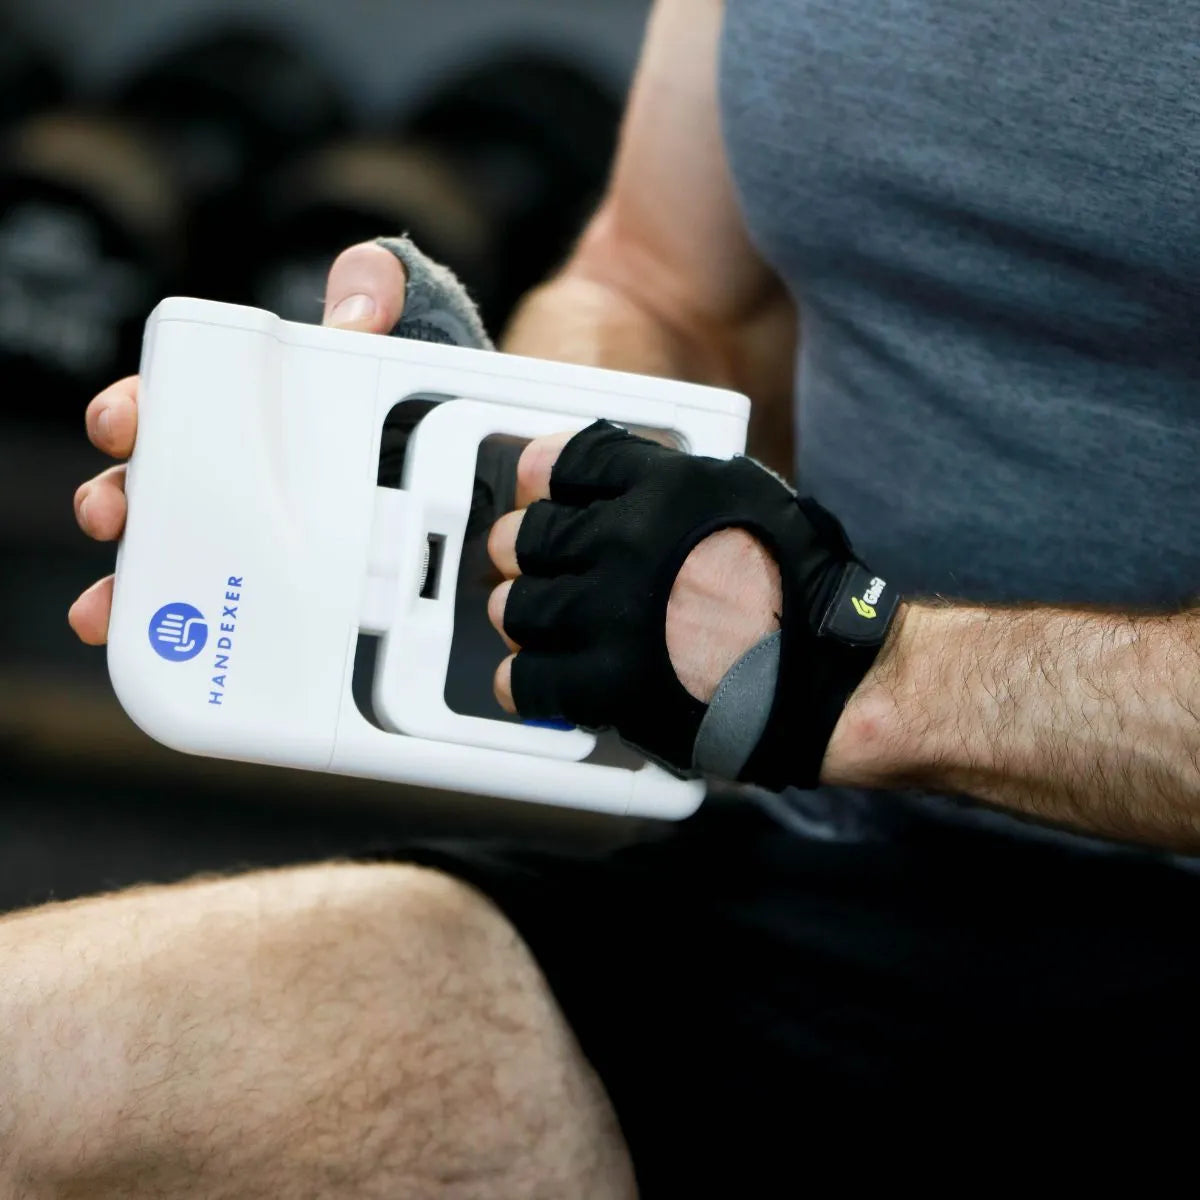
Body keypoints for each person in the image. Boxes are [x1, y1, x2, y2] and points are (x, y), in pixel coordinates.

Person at [6, 0, 1199, 1192]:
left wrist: (864, 673)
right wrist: (502, 444)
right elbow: (665, 282)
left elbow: (851, 677)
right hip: (854, 883)